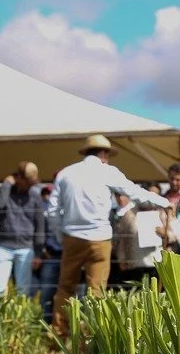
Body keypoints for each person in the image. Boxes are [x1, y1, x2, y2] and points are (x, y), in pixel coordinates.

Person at [47, 135, 170, 336]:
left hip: (72, 238)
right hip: (100, 238)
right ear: (104, 153)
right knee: (97, 290)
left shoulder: (66, 173)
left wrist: (62, 237)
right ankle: (91, 338)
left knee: (66, 287)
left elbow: (52, 211)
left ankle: (59, 334)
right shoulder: (108, 171)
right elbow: (134, 192)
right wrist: (164, 202)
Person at [0, 161, 45, 297]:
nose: (31, 185)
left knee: (23, 290)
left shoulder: (35, 196)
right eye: (28, 182)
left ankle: (20, 312)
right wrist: (6, 185)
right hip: (3, 246)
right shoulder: (4, 191)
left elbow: (40, 226)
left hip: (26, 248)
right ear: (18, 178)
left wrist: (38, 253)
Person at [36, 183, 62, 322]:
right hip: (50, 256)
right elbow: (38, 231)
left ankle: (66, 326)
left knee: (69, 293)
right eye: (45, 193)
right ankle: (43, 325)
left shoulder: (67, 204)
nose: (48, 196)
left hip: (68, 256)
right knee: (46, 292)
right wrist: (43, 251)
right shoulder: (41, 208)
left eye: (50, 193)